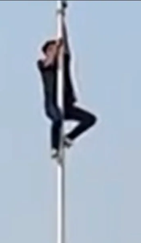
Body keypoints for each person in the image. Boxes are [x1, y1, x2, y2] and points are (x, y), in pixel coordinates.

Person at [37, 22, 97, 161]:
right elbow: (49, 63)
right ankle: (54, 148)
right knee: (57, 119)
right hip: (52, 104)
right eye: (51, 49)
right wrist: (55, 48)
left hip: (66, 104)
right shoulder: (43, 64)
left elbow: (66, 43)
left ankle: (68, 138)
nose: (56, 51)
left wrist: (62, 19)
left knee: (89, 119)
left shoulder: (63, 62)